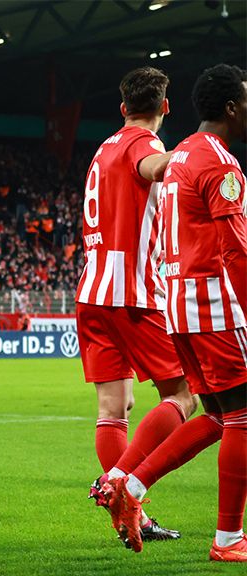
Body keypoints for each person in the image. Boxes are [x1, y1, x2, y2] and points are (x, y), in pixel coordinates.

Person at [105, 63, 247, 562]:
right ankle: (229, 539)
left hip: (178, 304)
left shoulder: (181, 152)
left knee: (214, 416)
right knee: (244, 419)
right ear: (231, 107)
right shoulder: (221, 164)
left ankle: (133, 487)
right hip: (214, 304)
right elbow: (235, 251)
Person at [75, 67, 192, 541]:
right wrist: (188, 155)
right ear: (165, 107)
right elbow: (151, 166)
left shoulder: (102, 149)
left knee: (113, 408)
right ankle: (118, 481)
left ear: (123, 107)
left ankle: (132, 517)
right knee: (183, 395)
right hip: (132, 294)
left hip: (92, 292)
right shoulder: (147, 144)